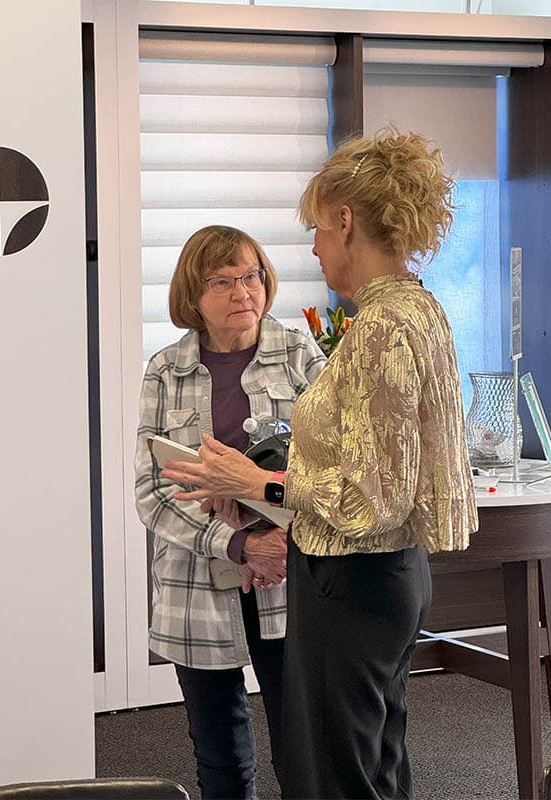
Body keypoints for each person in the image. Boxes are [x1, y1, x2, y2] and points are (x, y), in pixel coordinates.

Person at [162, 127, 479, 800]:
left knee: (334, 778)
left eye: (315, 230)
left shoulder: (380, 329)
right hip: (386, 577)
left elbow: (372, 498)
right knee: (373, 769)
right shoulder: (417, 308)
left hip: (353, 582)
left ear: (345, 220)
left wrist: (257, 482)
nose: (312, 249)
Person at [134, 224, 326, 800]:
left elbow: (335, 465)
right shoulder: (165, 370)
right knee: (219, 752)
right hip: (196, 578)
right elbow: (152, 491)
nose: (243, 292)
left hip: (286, 572)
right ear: (193, 295)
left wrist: (274, 538)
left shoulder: (299, 354)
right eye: (222, 281)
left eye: (251, 276)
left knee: (303, 746)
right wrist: (240, 544)